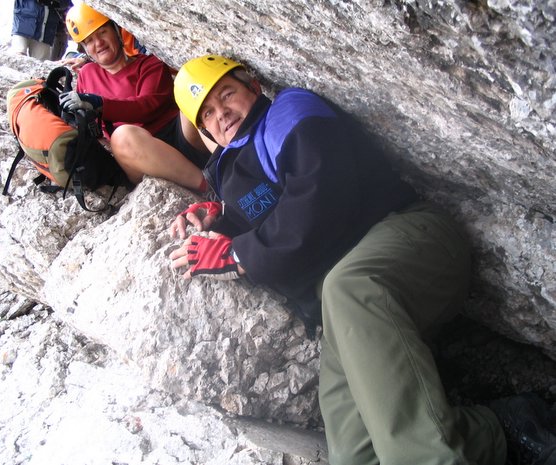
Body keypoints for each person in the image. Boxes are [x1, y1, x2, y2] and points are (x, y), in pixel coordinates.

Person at [168, 55, 556, 464]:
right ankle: (501, 428)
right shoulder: (231, 166)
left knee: (345, 287)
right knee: (353, 450)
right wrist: (219, 220)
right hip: (351, 305)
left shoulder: (288, 112)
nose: (221, 113)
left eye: (226, 94)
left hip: (411, 238)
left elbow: (320, 199)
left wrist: (237, 254)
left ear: (251, 85)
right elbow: (264, 211)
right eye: (207, 113)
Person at [60, 3, 209, 191]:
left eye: (102, 32)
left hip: (178, 136)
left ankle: (229, 159)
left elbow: (147, 106)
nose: (98, 43)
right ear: (85, 49)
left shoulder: (151, 64)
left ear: (117, 31)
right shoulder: (87, 74)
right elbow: (95, 130)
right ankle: (209, 187)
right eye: (89, 41)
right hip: (138, 151)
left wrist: (101, 105)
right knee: (122, 136)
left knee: (194, 97)